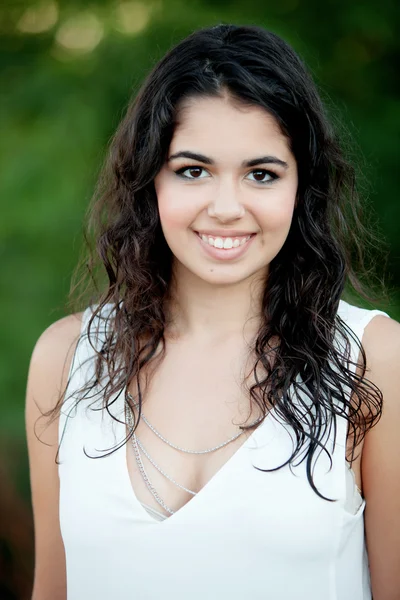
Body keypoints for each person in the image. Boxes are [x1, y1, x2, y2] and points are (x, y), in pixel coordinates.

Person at [25, 23, 400, 600]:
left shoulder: (373, 359)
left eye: (261, 174)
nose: (226, 208)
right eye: (193, 170)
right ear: (151, 179)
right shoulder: (65, 357)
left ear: (302, 187)